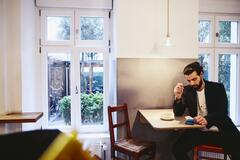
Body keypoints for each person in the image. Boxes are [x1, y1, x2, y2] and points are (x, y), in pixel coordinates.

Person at [172, 61, 240, 160]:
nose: (192, 83)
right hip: (198, 132)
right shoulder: (187, 90)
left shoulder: (217, 88)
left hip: (220, 130)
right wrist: (177, 97)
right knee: (176, 149)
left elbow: (223, 112)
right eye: (189, 80)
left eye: (194, 79)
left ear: (201, 74)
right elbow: (178, 113)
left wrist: (207, 119)